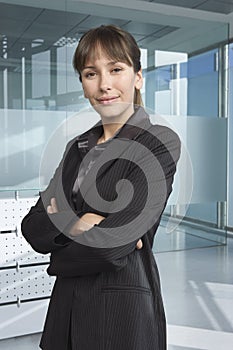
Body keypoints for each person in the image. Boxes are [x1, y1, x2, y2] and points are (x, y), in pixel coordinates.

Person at [21, 25, 181, 350]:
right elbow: (33, 225)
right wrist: (79, 223)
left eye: (116, 69)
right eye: (91, 73)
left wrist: (59, 248)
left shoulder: (158, 142)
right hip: (64, 312)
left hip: (118, 312)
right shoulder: (77, 146)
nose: (104, 85)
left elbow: (112, 244)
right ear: (82, 84)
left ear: (137, 77)